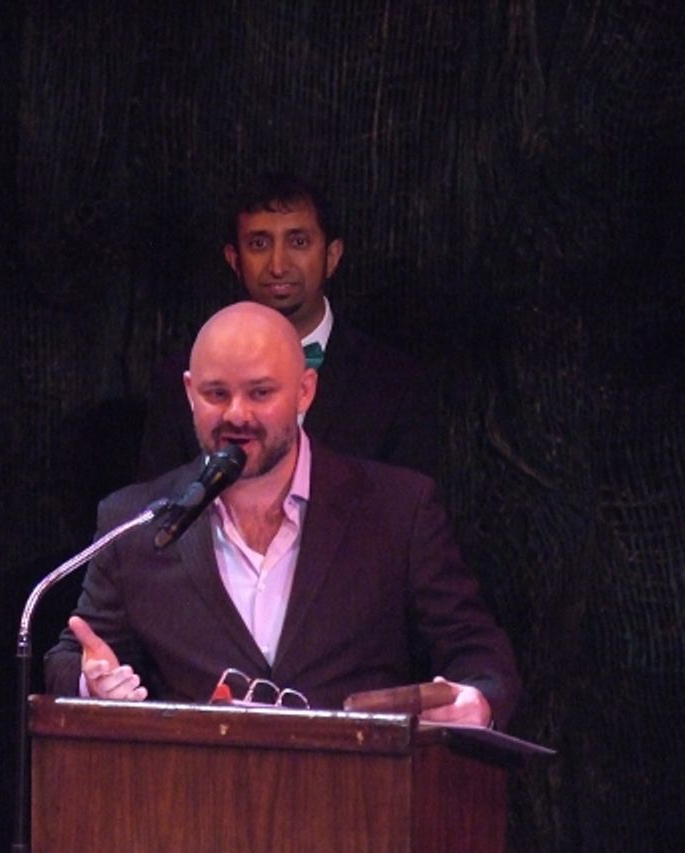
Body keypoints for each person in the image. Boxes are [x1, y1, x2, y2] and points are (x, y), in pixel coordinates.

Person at [45, 302, 519, 730]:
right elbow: (75, 655)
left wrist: (478, 699)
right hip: (190, 806)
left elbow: (476, 649)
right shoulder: (137, 521)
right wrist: (93, 683)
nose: (237, 415)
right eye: (216, 394)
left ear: (305, 391)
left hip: (361, 805)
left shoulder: (397, 510)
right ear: (189, 393)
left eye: (260, 393)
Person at [136, 170, 440, 480]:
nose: (278, 266)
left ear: (332, 256)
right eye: (259, 244)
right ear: (234, 259)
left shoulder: (393, 383)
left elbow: (408, 518)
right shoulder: (180, 380)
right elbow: (158, 508)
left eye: (298, 241)